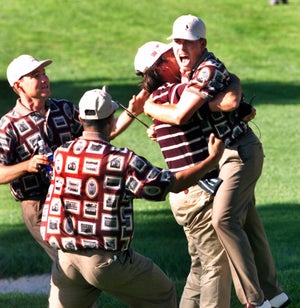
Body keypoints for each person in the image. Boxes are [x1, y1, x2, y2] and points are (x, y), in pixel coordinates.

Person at [143, 15, 291, 308]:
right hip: (228, 154)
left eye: (187, 43)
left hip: (240, 153)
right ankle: (276, 295)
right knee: (248, 223)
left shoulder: (206, 70)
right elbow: (227, 103)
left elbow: (181, 115)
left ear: (202, 44)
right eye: (176, 43)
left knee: (223, 218)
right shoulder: (189, 74)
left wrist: (151, 107)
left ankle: (255, 301)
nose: (180, 49)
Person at [40, 86, 225, 308]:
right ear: (110, 120)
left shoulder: (61, 154)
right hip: (107, 262)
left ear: (80, 118)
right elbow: (172, 184)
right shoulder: (123, 161)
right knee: (162, 293)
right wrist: (210, 162)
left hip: (65, 260)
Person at [134, 41, 251, 308]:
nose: (179, 55)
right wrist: (232, 78)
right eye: (171, 54)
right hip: (199, 192)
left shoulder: (160, 97)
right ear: (162, 66)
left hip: (182, 196)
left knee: (199, 267)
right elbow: (232, 101)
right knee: (215, 267)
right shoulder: (178, 92)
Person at [0, 55, 140, 261]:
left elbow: (102, 133)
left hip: (75, 196)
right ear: (18, 85)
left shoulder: (63, 109)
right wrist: (27, 165)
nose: (44, 79)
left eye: (44, 73)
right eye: (35, 76)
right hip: (38, 205)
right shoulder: (8, 125)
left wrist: (132, 111)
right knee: (69, 261)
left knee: (81, 260)